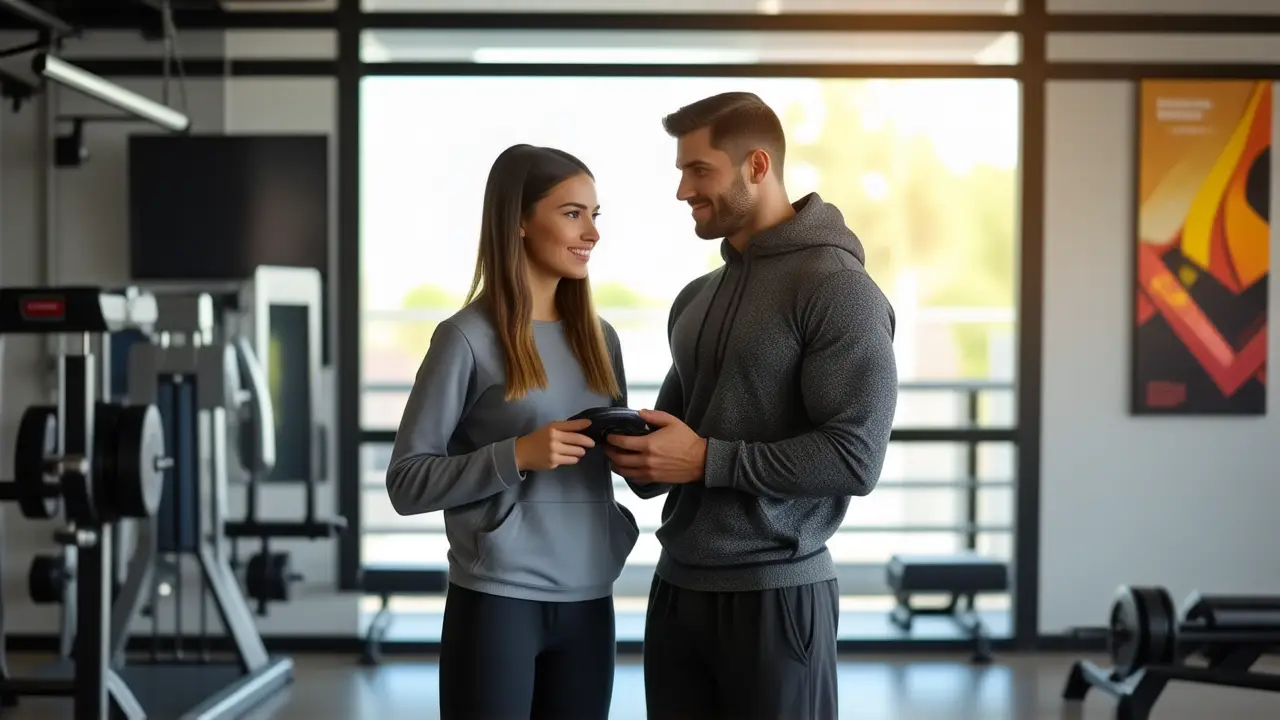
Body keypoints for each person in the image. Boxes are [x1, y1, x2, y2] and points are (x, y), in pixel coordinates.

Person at [604, 92, 899, 719]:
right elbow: (679, 440)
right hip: (677, 588)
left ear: (757, 166)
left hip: (776, 596)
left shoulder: (837, 288)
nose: (682, 190)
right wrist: (632, 449)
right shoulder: (696, 297)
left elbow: (856, 457)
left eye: (699, 170)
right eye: (681, 171)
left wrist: (704, 460)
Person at [385, 144, 639, 720]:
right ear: (519, 221)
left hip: (591, 598)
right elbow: (406, 482)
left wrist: (643, 455)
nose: (592, 232)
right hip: (497, 602)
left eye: (595, 215)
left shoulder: (602, 339)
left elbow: (617, 461)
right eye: (572, 213)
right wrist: (517, 454)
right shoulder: (465, 338)